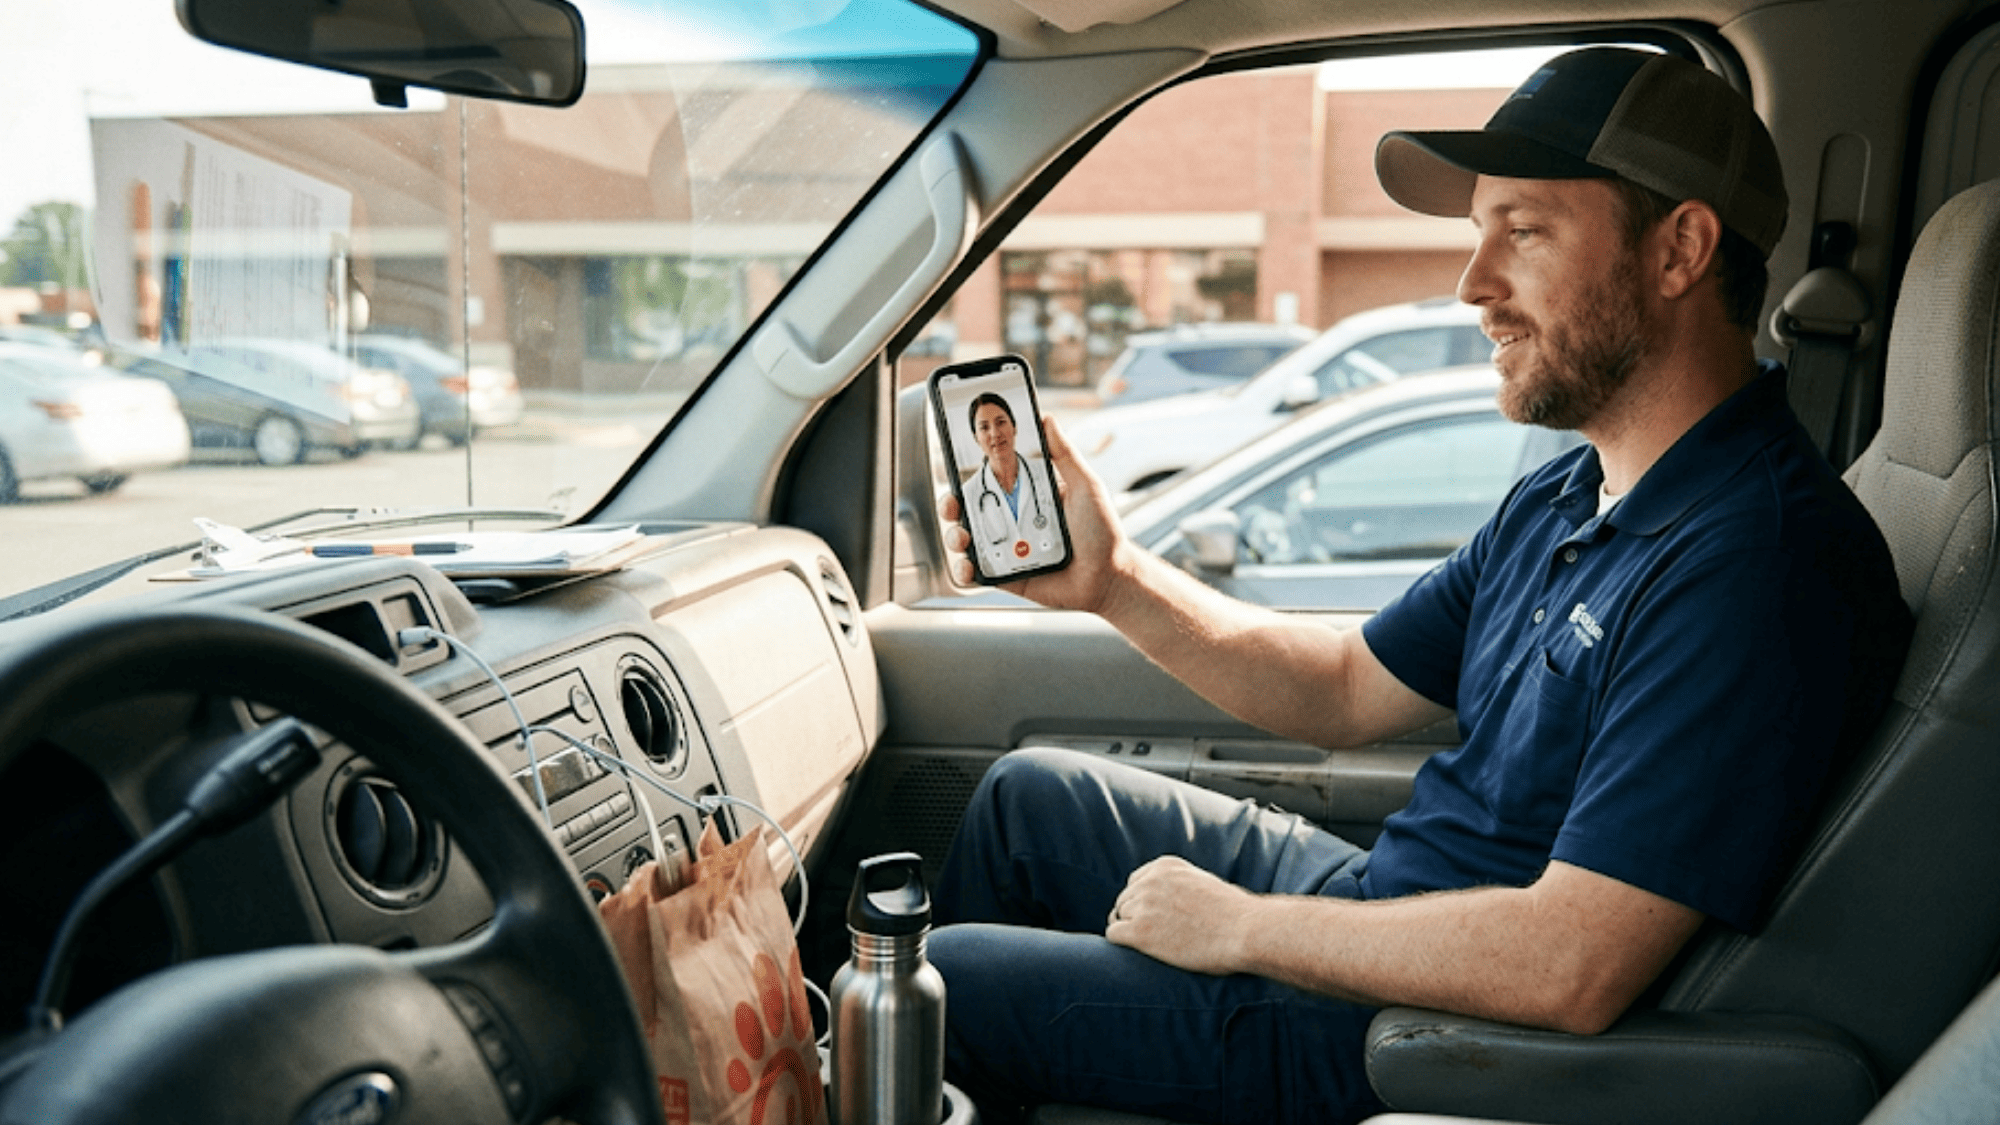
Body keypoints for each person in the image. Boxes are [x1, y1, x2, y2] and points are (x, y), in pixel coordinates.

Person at [926, 46, 1914, 1125]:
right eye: (1477, 232)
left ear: (1678, 248)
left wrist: (1243, 929)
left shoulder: (1753, 563)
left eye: (1523, 231)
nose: (1470, 283)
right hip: (1386, 914)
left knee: (940, 983)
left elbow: (1570, 963)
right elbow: (1347, 686)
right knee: (1030, 800)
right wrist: (1112, 580)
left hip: (1420, 1033)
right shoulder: (1572, 493)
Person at [960, 390, 1061, 572]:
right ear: (976, 438)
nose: (995, 433)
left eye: (1001, 422)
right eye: (984, 427)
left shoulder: (1047, 473)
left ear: (1014, 427)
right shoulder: (968, 493)